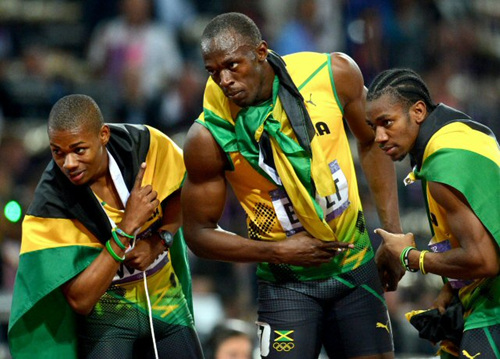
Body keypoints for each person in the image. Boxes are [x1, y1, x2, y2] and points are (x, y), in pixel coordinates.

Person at [182, 12, 403, 359]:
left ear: (261, 51)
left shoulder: (332, 74)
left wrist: (391, 233)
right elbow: (197, 234)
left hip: (354, 263)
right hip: (286, 282)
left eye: (232, 65)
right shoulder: (208, 135)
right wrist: (276, 252)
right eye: (213, 71)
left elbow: (373, 140)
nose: (223, 80)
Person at [8, 94, 204, 358]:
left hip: (165, 300)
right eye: (58, 152)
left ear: (103, 135)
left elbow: (186, 185)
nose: (69, 163)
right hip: (108, 315)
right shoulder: (50, 204)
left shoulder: (145, 145)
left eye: (79, 150)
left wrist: (159, 241)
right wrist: (126, 229)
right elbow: (80, 300)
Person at [366, 68, 500, 358]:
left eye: (386, 123)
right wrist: (450, 292)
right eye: (373, 126)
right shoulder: (463, 134)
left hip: (493, 311)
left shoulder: (442, 161)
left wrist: (410, 257)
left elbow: (485, 260)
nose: (378, 136)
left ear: (417, 111)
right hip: (480, 304)